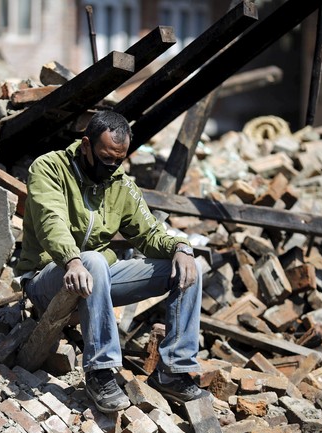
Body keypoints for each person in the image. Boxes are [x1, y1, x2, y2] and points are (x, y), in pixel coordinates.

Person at [17, 110, 203, 413]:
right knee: (92, 260)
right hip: (47, 279)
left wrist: (181, 247)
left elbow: (149, 233)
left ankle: (174, 370)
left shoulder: (120, 183)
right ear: (86, 145)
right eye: (107, 159)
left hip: (96, 277)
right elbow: (51, 222)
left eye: (120, 160)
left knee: (189, 266)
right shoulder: (49, 168)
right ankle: (99, 372)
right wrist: (72, 261)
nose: (113, 167)